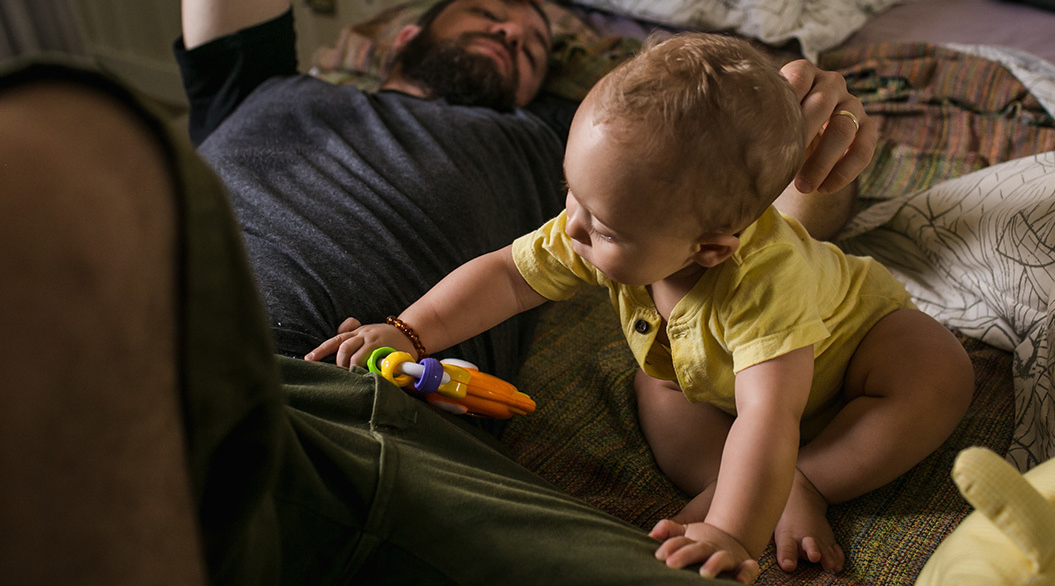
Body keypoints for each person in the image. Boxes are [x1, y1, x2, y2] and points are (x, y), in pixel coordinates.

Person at [0, 0, 875, 585]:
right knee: (62, 144)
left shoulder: (573, 159)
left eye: (535, 45)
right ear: (404, 37)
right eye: (487, 12)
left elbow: (760, 247)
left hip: (352, 409)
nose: (513, 32)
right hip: (150, 339)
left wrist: (809, 155)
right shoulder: (259, 87)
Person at [310, 33, 975, 582]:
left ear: (710, 249)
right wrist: (408, 331)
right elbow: (507, 276)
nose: (572, 229)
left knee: (937, 369)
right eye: (571, 194)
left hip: (849, 355)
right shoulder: (597, 221)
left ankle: (809, 482)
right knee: (658, 389)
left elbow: (769, 417)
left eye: (602, 228)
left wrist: (729, 533)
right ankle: (760, 484)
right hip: (714, 383)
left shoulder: (765, 282)